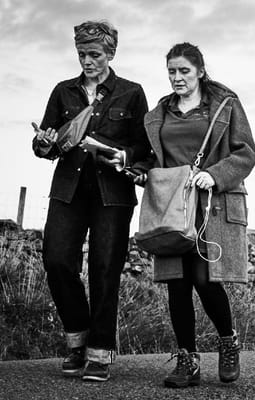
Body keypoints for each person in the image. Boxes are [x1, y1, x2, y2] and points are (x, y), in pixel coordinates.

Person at [31, 20, 149, 382]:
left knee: (104, 270)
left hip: (112, 195)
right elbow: (42, 146)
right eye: (82, 54)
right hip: (68, 191)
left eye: (94, 54)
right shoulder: (62, 91)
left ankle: (99, 353)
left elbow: (144, 150)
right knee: (56, 259)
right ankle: (77, 340)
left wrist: (124, 158)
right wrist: (44, 143)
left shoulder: (131, 92)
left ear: (110, 53)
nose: (87, 60)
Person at [135, 42, 255, 388]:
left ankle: (228, 342)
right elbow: (150, 157)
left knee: (205, 279)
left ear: (200, 71)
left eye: (184, 71)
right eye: (171, 72)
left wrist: (215, 175)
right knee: (177, 283)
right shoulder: (159, 113)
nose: (177, 78)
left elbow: (246, 153)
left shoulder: (225, 106)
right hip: (171, 207)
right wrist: (141, 171)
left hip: (211, 205)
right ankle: (187, 360)